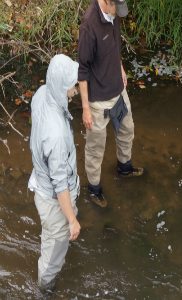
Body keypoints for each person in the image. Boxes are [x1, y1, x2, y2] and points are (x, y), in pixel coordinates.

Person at [77, 0, 143, 208]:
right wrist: (86, 108)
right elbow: (83, 70)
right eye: (116, 9)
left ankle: (125, 168)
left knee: (127, 130)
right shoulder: (89, 26)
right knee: (96, 149)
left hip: (118, 90)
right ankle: (94, 190)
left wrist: (120, 67)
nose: (119, 15)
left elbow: (114, 46)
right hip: (98, 101)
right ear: (106, 2)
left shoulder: (114, 16)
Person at [27, 54, 82, 293]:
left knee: (50, 238)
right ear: (61, 86)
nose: (76, 89)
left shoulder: (42, 93)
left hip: (40, 181)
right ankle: (44, 291)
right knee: (53, 254)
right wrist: (72, 220)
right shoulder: (57, 135)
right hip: (53, 199)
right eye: (72, 85)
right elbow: (60, 185)